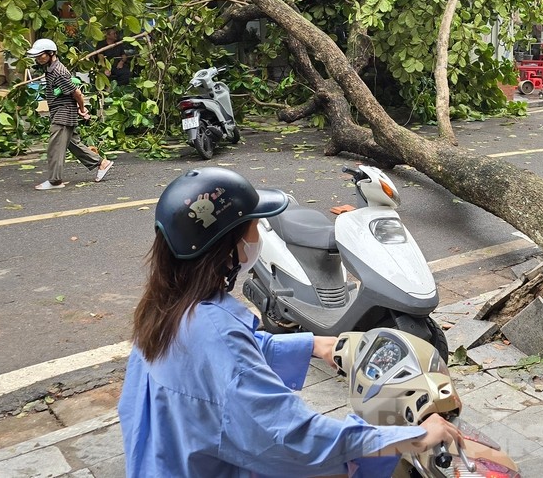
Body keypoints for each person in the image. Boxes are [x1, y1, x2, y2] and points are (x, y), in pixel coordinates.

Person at [118, 167, 464, 477]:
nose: (257, 237)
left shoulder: (167, 310)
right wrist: (412, 437)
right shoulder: (216, 333)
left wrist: (314, 343)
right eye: (254, 227)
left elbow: (225, 361)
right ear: (229, 246)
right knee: (345, 464)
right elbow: (295, 439)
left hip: (168, 461)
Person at [28, 39, 113, 190]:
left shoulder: (59, 72)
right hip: (59, 111)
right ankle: (101, 163)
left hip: (63, 113)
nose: (37, 58)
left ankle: (55, 181)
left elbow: (77, 93)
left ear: (51, 53)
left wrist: (82, 109)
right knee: (73, 145)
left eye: (40, 55)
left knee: (55, 147)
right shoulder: (50, 68)